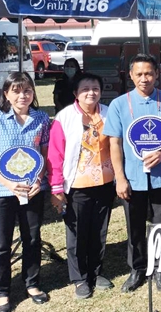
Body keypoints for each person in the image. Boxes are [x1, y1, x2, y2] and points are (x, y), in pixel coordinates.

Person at [103, 54, 161, 294]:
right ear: (130, 76)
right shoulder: (119, 104)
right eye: (138, 74)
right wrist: (120, 178)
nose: (144, 79)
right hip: (132, 177)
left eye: (148, 73)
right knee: (135, 227)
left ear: (157, 74)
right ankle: (137, 268)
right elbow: (115, 144)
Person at [0, 72, 51, 312]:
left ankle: (31, 283)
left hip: (33, 189)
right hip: (1, 191)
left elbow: (44, 155)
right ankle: (2, 292)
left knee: (32, 237)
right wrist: (8, 183)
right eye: (16, 91)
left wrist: (39, 180)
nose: (23, 95)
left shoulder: (42, 118)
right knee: (1, 243)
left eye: (27, 90)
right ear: (6, 94)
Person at [47, 72, 116, 300]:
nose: (91, 93)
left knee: (99, 230)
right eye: (85, 89)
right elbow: (55, 156)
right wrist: (56, 189)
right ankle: (79, 278)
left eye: (95, 88)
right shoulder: (64, 117)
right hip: (77, 185)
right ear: (76, 93)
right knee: (77, 233)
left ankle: (96, 272)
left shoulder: (108, 113)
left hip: (105, 182)